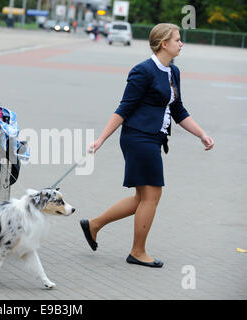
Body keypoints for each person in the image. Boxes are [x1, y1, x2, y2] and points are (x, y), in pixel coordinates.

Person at [80, 23, 214, 268]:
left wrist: (201, 134)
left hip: (154, 138)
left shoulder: (173, 72)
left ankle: (94, 225)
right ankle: (137, 252)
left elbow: (178, 109)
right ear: (164, 44)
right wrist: (100, 140)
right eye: (177, 40)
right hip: (138, 138)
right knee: (153, 195)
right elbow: (124, 108)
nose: (181, 43)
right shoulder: (143, 71)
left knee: (142, 196)